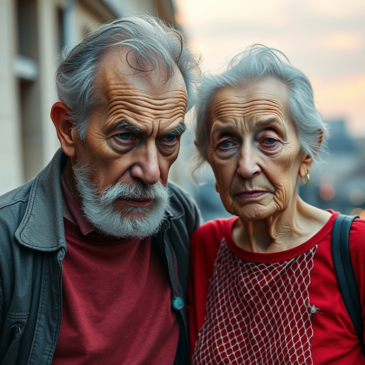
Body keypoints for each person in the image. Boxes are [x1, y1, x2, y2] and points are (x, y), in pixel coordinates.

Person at [0, 15, 202, 365]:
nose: (152, 172)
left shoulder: (181, 218)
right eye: (125, 137)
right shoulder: (5, 246)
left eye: (169, 138)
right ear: (68, 130)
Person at [187, 45, 365, 365]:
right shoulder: (206, 246)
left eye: (269, 140)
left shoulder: (356, 248)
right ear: (208, 158)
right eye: (226, 143)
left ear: (308, 151)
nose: (246, 166)